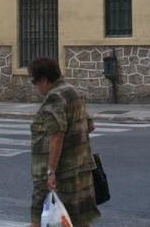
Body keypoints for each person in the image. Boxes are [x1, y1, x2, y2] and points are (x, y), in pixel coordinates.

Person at [28, 57, 100, 227]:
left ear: (44, 79)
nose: (35, 86)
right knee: (78, 218)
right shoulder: (73, 91)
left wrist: (51, 171)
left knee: (40, 217)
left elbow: (57, 136)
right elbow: (90, 125)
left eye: (34, 81)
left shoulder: (55, 98)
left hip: (61, 172)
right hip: (80, 166)